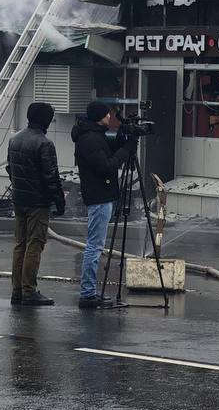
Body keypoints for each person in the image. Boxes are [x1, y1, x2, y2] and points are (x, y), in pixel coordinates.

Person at [71, 101, 132, 309]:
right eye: (107, 115)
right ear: (100, 116)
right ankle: (87, 294)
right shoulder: (90, 140)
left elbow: (107, 149)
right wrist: (126, 151)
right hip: (99, 197)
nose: (110, 118)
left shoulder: (94, 135)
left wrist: (123, 138)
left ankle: (90, 292)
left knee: (96, 245)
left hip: (101, 196)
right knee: (95, 246)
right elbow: (106, 166)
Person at [7, 101, 66, 306]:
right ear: (46, 120)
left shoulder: (15, 139)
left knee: (20, 244)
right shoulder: (44, 144)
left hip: (19, 199)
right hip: (37, 202)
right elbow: (51, 177)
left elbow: (10, 169)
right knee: (35, 243)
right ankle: (29, 290)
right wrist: (59, 201)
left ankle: (17, 290)